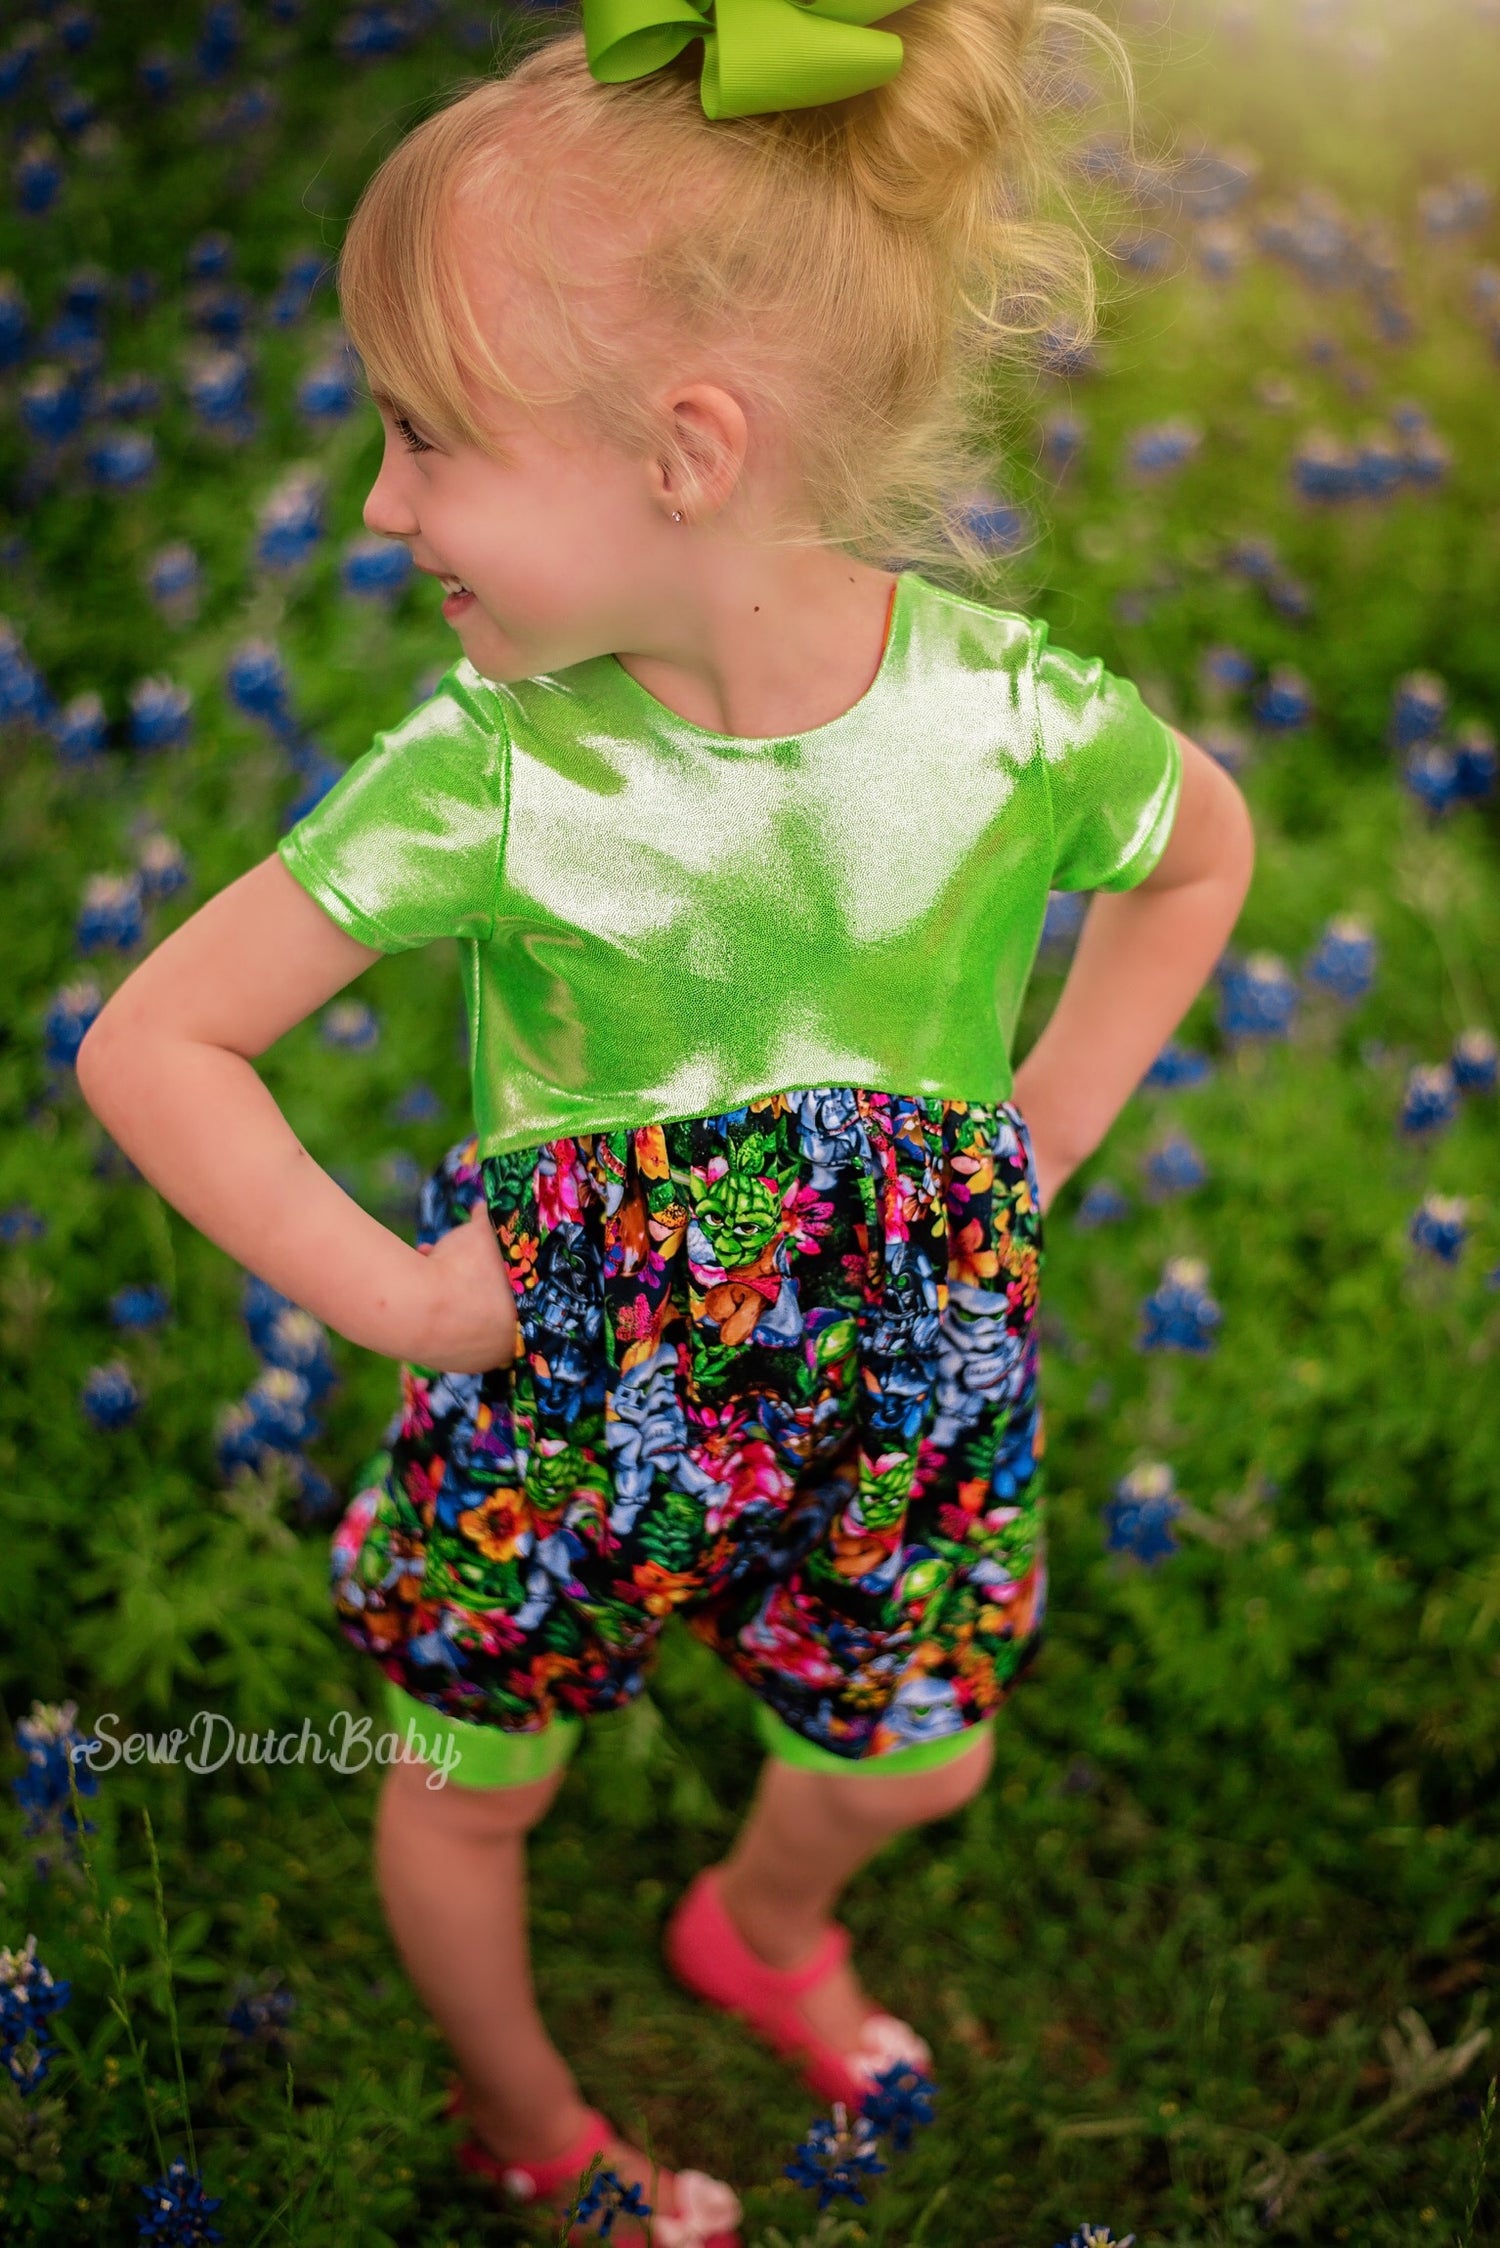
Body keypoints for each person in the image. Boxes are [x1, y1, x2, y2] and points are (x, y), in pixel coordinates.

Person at [76, 3, 1255, 2241]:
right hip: (567, 1397)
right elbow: (156, 1040)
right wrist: (406, 1303)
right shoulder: (493, 766)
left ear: (687, 453)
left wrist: (1044, 1128)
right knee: (466, 1783)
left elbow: (1202, 854)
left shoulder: (1008, 722)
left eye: (425, 438)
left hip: (905, 1387)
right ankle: (526, 2118)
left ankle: (762, 1927)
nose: (380, 504)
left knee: (918, 1751)